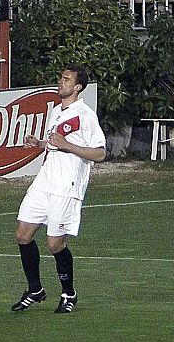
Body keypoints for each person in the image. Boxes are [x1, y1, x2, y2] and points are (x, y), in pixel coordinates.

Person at [11, 65, 106, 315]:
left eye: (66, 79)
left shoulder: (85, 116)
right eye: (61, 78)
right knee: (22, 234)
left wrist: (68, 146)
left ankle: (69, 293)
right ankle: (35, 289)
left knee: (55, 243)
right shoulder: (56, 111)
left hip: (66, 186)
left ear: (78, 87)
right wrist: (40, 143)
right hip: (44, 181)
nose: (60, 82)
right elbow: (56, 144)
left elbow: (100, 153)